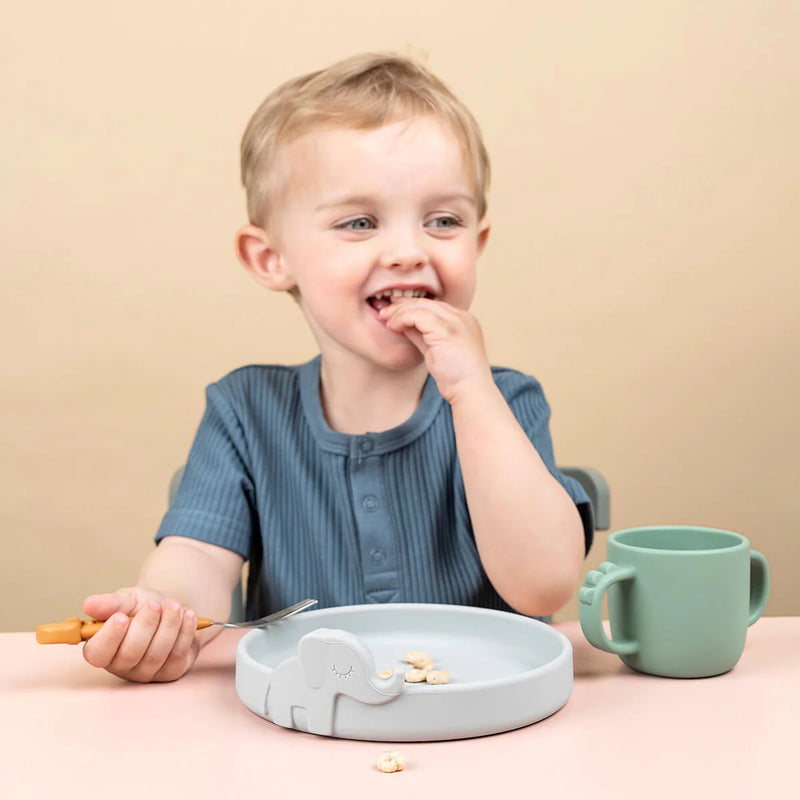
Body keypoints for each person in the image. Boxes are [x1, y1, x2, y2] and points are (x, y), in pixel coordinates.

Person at [82, 52, 594, 683]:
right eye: (359, 222)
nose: (409, 251)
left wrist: (470, 391)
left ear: (477, 244)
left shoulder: (505, 401)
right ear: (272, 258)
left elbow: (543, 588)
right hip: (304, 716)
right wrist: (163, 616)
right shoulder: (246, 411)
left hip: (483, 716)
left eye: (444, 221)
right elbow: (197, 563)